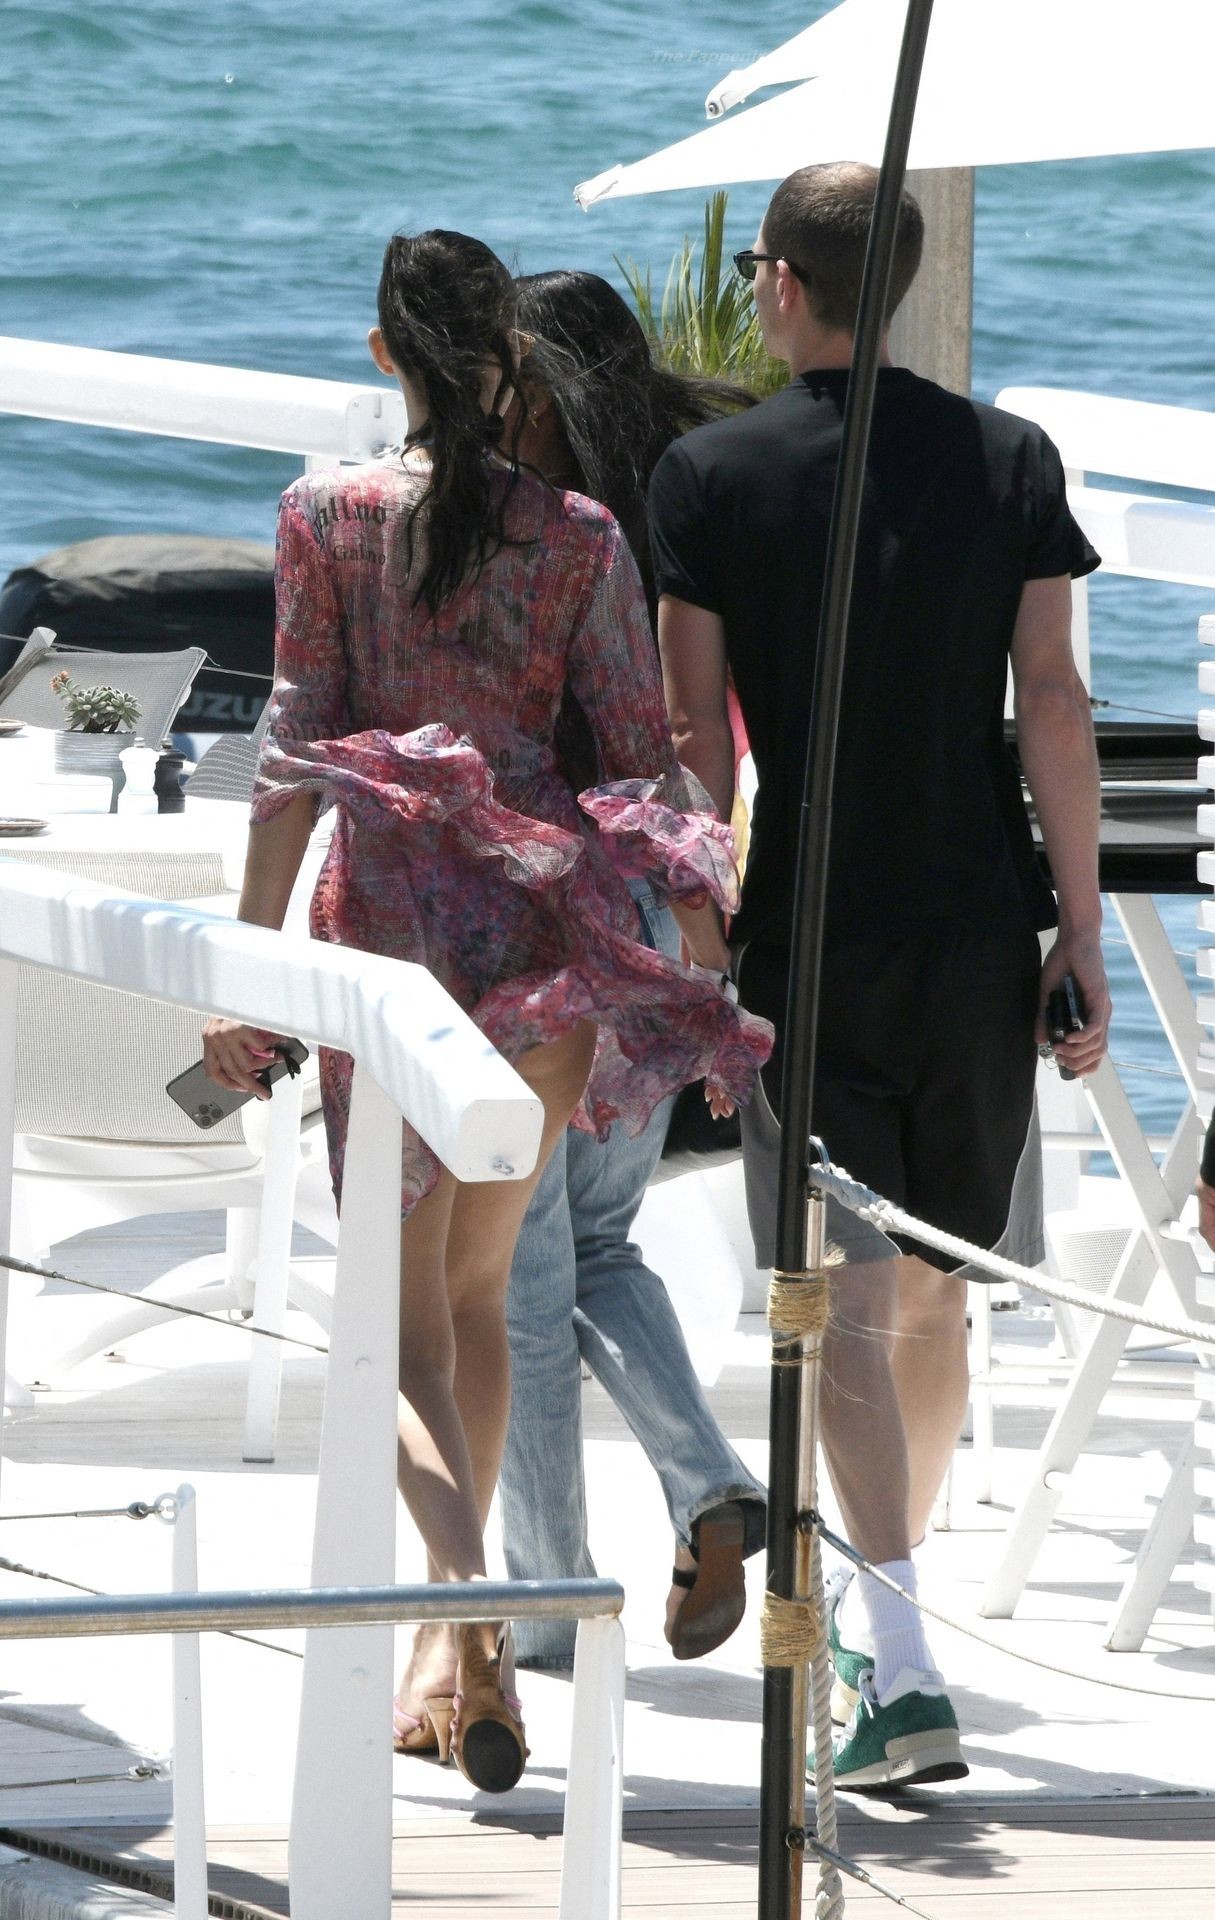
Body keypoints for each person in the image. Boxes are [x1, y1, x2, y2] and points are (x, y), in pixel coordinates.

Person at [201, 230, 772, 1794]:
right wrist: (703, 959)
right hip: (541, 950)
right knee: (476, 1302)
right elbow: (642, 764)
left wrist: (245, 966)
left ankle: (468, 1615)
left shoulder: (325, 518)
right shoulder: (580, 535)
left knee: (397, 1330)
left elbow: (292, 747)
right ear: (511, 361)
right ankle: (474, 1627)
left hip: (384, 947)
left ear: (386, 354)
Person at [649, 164, 1110, 1789]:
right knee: (931, 1287)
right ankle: (893, 1626)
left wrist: (704, 952)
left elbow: (695, 741)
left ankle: (896, 1657)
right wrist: (1078, 929)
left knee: (841, 1297)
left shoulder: (709, 473)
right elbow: (1052, 700)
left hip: (809, 939)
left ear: (779, 282)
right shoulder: (1009, 457)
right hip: (979, 928)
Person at [499, 271, 767, 1671]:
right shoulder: (692, 500)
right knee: (595, 1248)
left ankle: (543, 1611)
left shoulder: (544, 536)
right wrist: (704, 934)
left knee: (518, 1280)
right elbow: (700, 741)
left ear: (538, 389)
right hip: (658, 912)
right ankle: (707, 1483)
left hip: (543, 933)